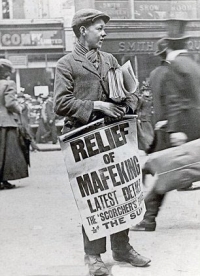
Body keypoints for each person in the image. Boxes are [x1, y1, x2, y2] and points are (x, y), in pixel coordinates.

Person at [54, 8, 151, 276]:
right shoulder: (66, 64)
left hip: (114, 136)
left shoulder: (110, 59)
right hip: (85, 141)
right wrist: (99, 106)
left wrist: (126, 105)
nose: (104, 33)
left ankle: (122, 248)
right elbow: (60, 104)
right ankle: (93, 255)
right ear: (83, 30)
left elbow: (132, 91)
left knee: (120, 191)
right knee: (95, 197)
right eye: (99, 28)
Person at [131, 19, 200, 232]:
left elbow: (175, 102)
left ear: (168, 45)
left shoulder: (174, 67)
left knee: (166, 171)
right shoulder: (194, 65)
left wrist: (175, 130)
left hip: (181, 131)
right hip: (197, 128)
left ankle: (148, 218)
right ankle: (148, 217)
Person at [0, 59, 29, 189]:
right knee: (7, 152)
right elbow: (10, 103)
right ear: (7, 72)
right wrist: (20, 108)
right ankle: (4, 179)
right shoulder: (9, 84)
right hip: (6, 122)